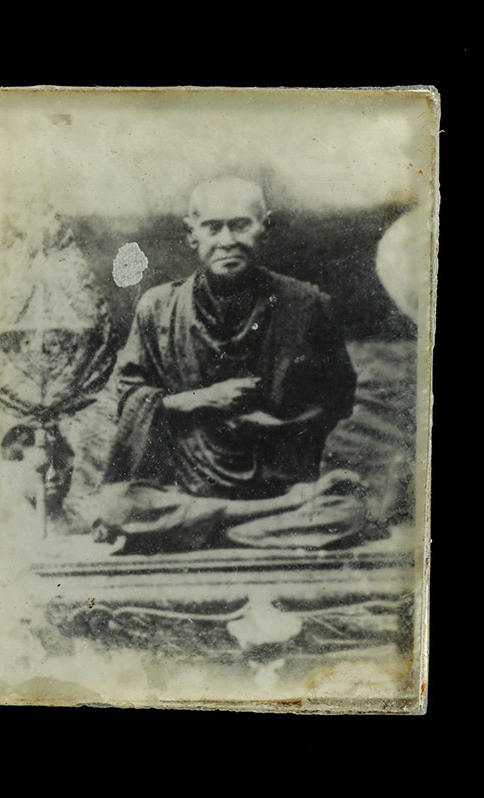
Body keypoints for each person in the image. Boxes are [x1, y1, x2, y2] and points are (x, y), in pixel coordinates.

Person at [99, 177, 358, 551]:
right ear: (192, 234)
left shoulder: (308, 305)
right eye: (212, 227)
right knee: (117, 505)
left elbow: (340, 400)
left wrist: (285, 427)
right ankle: (261, 521)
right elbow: (129, 400)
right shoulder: (157, 308)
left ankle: (201, 532)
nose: (226, 241)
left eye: (240, 225)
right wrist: (202, 399)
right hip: (192, 490)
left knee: (348, 507)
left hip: (280, 482)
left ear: (264, 227)